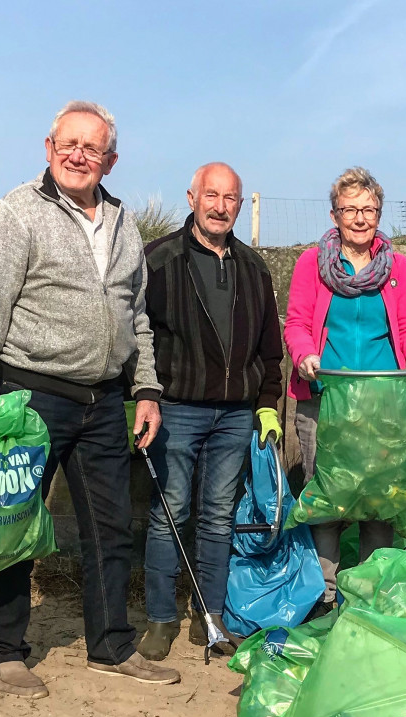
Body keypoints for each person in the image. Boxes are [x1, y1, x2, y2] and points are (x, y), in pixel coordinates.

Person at [0, 100, 179, 698]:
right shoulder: (19, 212)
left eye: (92, 148)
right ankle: (5, 651)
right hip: (28, 393)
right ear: (49, 149)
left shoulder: (125, 225)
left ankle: (111, 645)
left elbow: (138, 319)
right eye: (69, 145)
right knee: (14, 523)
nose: (79, 156)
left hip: (104, 400)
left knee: (109, 529)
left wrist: (147, 390)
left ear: (110, 159)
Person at [137, 163, 283, 658]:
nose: (221, 206)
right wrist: (143, 396)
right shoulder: (160, 260)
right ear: (192, 198)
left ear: (240, 205)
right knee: (170, 514)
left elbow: (270, 349)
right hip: (175, 410)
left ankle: (210, 616)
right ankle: (160, 619)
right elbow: (135, 336)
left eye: (231, 198)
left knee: (219, 516)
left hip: (236, 415)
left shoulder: (254, 268)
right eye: (212, 196)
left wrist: (267, 405)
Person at [284, 166, 406, 604]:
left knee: (380, 500)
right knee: (328, 500)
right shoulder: (310, 264)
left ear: (379, 213)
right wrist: (305, 357)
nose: (359, 218)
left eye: (368, 209)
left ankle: (369, 593)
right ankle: (324, 594)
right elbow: (297, 324)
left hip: (383, 406)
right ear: (334, 214)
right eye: (349, 209)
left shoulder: (398, 268)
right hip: (325, 400)